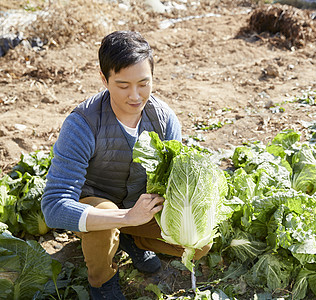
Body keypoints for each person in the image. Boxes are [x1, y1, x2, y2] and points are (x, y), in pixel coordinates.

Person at [42, 30, 210, 299]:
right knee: (106, 220)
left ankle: (131, 239)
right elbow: (53, 207)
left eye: (144, 83)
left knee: (201, 242)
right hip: (98, 206)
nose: (135, 95)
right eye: (123, 85)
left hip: (141, 208)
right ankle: (102, 280)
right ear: (104, 79)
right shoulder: (82, 124)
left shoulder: (165, 120)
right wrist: (125, 217)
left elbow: (174, 183)